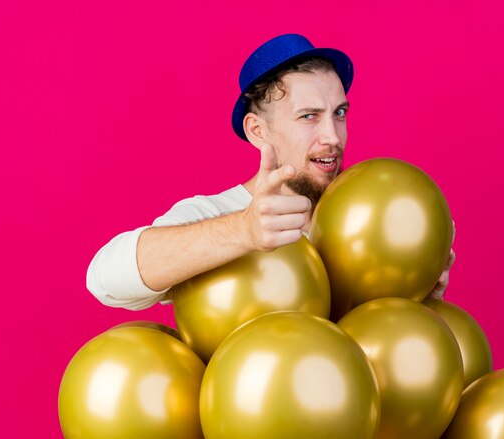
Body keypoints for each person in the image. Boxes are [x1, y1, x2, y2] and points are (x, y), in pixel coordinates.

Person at [87, 34, 456, 311]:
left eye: (339, 113)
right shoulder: (216, 214)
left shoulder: (371, 220)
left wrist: (417, 298)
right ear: (258, 131)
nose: (332, 136)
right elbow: (104, 279)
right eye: (309, 116)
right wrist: (242, 230)